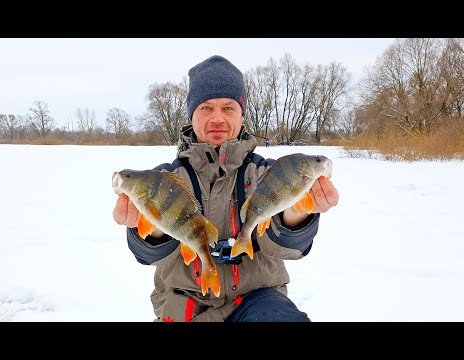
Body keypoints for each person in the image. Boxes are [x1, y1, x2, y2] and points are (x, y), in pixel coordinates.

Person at [113, 55, 339, 322]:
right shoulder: (166, 178)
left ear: (242, 115)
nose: (217, 118)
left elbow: (285, 249)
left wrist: (296, 215)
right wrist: (154, 230)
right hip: (183, 302)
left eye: (228, 108)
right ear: (192, 115)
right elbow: (149, 257)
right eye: (206, 108)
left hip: (258, 299)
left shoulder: (266, 173)